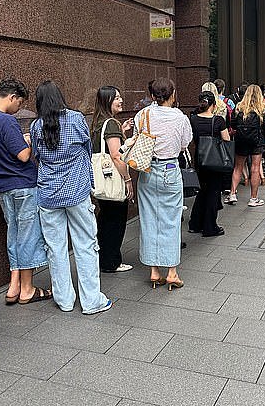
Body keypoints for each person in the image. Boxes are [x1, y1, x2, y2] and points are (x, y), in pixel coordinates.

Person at [31, 81, 111, 314]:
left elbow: (37, 156)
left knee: (55, 249)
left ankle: (64, 300)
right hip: (76, 192)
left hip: (47, 195)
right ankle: (91, 301)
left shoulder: (37, 126)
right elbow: (87, 150)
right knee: (85, 245)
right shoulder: (76, 119)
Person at [0, 78, 52, 305]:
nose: (18, 108)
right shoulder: (6, 121)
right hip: (23, 185)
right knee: (28, 236)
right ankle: (27, 289)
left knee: (14, 234)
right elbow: (23, 155)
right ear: (12, 97)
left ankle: (14, 284)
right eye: (19, 103)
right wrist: (27, 140)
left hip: (0, 187)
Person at [135, 78, 192, 290]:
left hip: (147, 171)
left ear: (152, 96)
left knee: (149, 219)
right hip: (169, 169)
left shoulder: (143, 115)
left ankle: (154, 271)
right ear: (173, 94)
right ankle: (172, 273)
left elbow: (138, 140)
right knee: (171, 221)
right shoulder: (180, 118)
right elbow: (185, 143)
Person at [89, 86, 134, 273]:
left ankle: (103, 259)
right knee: (115, 221)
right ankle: (111, 262)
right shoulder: (111, 124)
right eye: (116, 98)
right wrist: (128, 179)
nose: (121, 100)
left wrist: (122, 132)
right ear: (107, 101)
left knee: (106, 218)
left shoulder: (98, 123)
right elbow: (116, 155)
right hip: (113, 181)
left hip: (100, 181)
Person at [188, 91, 231, 237]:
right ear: (213, 104)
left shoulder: (193, 119)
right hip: (215, 161)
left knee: (202, 191)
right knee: (213, 193)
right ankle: (209, 227)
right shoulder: (218, 120)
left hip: (199, 160)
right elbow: (226, 140)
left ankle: (195, 223)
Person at [227, 84, 265, 207]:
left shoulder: (239, 107)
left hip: (241, 140)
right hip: (257, 141)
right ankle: (253, 198)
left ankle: (232, 194)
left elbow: (233, 125)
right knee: (255, 168)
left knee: (238, 167)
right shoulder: (263, 109)